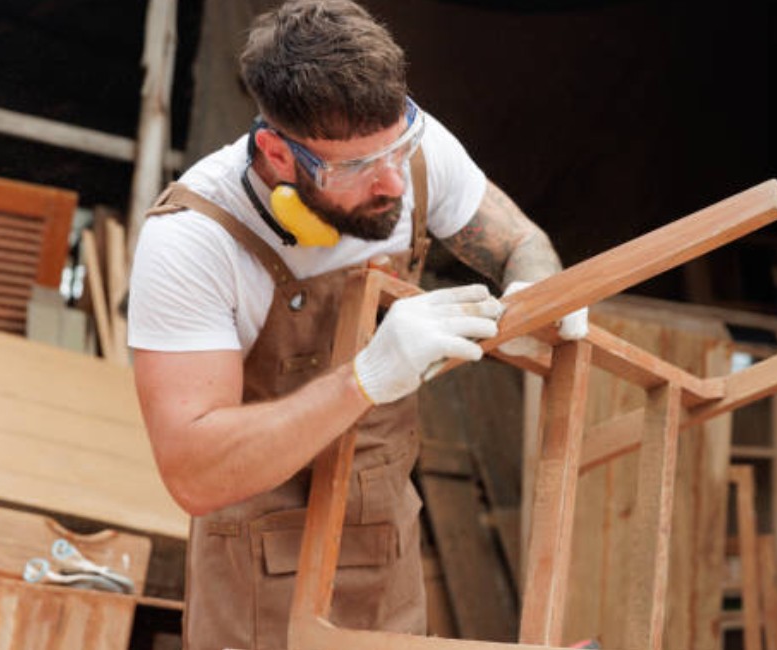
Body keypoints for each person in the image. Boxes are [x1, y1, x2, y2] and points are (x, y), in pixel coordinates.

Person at [127, 1, 586, 648]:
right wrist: (364, 379)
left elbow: (520, 243)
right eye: (356, 168)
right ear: (276, 154)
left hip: (387, 543)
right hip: (259, 577)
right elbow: (194, 472)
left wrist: (543, 286)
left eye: (400, 145)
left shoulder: (410, 155)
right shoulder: (196, 241)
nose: (393, 184)